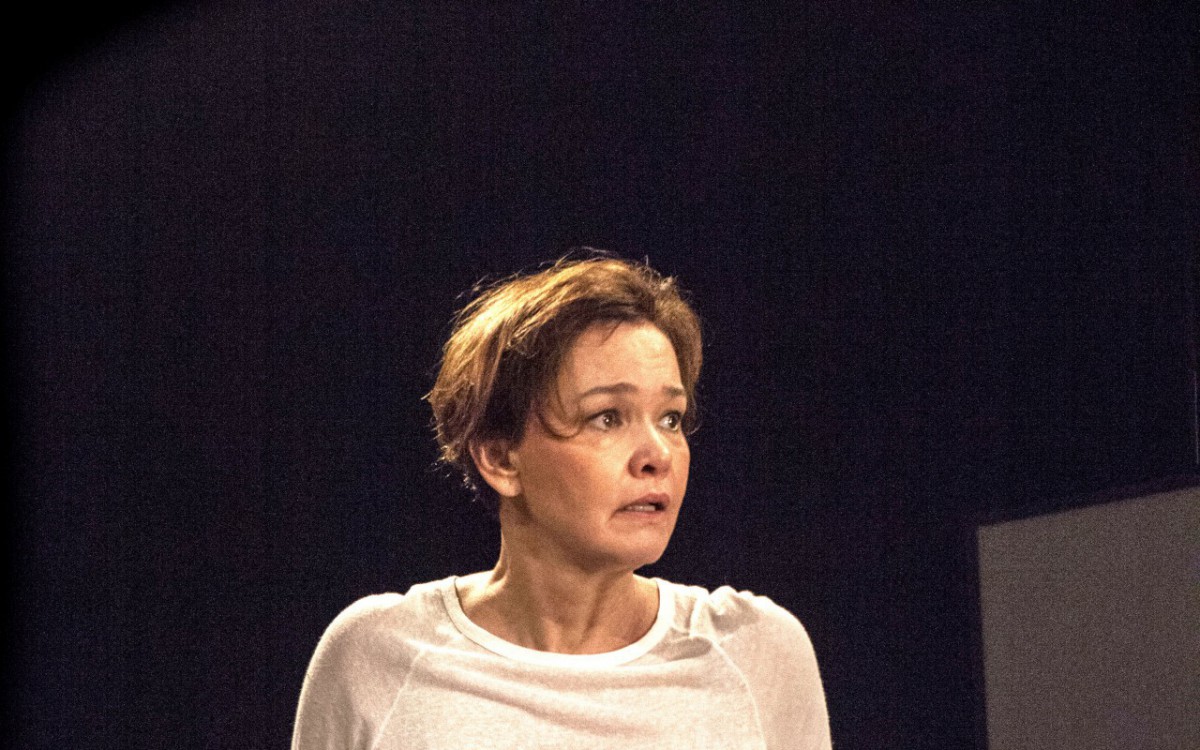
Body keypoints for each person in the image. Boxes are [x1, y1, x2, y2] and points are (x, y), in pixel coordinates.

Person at [291, 254, 832, 749]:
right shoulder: (376, 658)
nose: (658, 455)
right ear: (500, 459)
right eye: (607, 418)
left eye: (671, 419)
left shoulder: (756, 653)